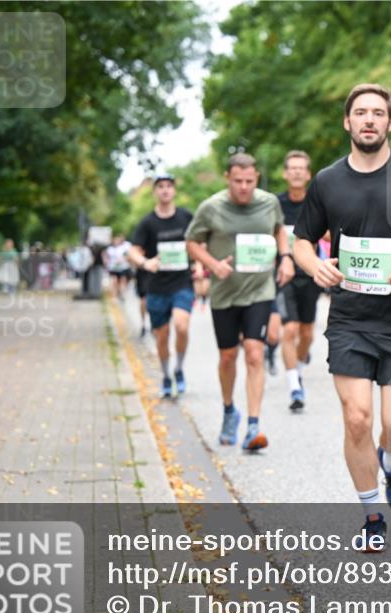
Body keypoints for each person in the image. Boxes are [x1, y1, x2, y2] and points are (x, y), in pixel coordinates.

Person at [293, 83, 391, 550]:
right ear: (347, 122)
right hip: (350, 320)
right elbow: (301, 241)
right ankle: (372, 516)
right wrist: (314, 265)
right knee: (357, 418)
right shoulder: (327, 181)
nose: (369, 120)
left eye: (378, 113)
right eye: (360, 112)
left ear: (390, 123)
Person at [187, 153, 294, 450]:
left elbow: (279, 230)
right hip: (225, 293)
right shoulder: (211, 207)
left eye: (249, 181)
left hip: (260, 290)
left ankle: (253, 426)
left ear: (256, 178)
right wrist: (213, 265)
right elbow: (192, 242)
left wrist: (285, 257)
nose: (244, 187)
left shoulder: (269, 203)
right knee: (227, 357)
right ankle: (228, 410)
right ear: (227, 178)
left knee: (255, 354)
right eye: (237, 181)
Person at [128, 174, 196, 398]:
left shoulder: (186, 217)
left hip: (182, 282)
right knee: (162, 336)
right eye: (161, 187)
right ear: (155, 192)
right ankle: (166, 374)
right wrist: (145, 262)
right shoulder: (147, 223)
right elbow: (133, 251)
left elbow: (200, 241)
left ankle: (179, 368)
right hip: (156, 287)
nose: (165, 190)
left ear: (174, 190)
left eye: (169, 186)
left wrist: (199, 263)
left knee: (182, 326)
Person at [276, 149, 322, 412]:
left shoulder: (316, 203)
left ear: (308, 174)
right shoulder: (275, 205)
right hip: (284, 275)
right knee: (290, 329)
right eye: (291, 168)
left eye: (300, 168)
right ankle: (294, 387)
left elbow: (331, 232)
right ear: (285, 173)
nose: (296, 172)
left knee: (306, 333)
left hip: (310, 273)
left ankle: (299, 368)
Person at [103, 235, 133, 299]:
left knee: (123, 281)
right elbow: (106, 256)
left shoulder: (124, 247)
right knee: (114, 281)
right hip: (113, 267)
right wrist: (106, 262)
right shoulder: (110, 249)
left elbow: (128, 254)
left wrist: (124, 258)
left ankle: (121, 293)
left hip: (123, 267)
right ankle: (114, 297)